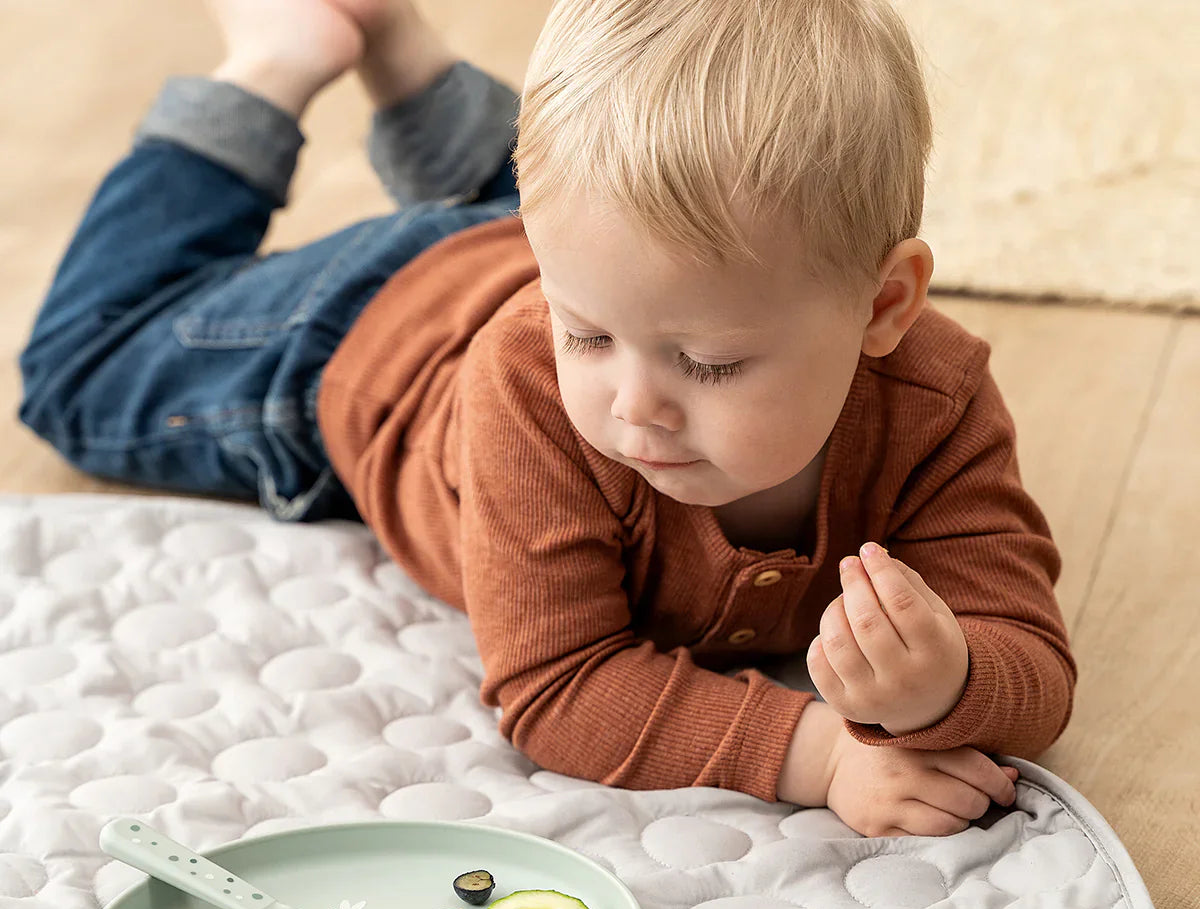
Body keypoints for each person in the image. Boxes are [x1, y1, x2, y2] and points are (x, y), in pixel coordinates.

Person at [17, 0, 1073, 838]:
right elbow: (559, 685)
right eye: (588, 341)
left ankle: (408, 59)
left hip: (585, 257)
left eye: (708, 363)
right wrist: (821, 752)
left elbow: (1030, 655)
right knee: (80, 369)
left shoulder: (937, 405)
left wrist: (951, 679)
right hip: (366, 332)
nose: (633, 406)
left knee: (606, 240)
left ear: (884, 306)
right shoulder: (530, 386)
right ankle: (283, 56)